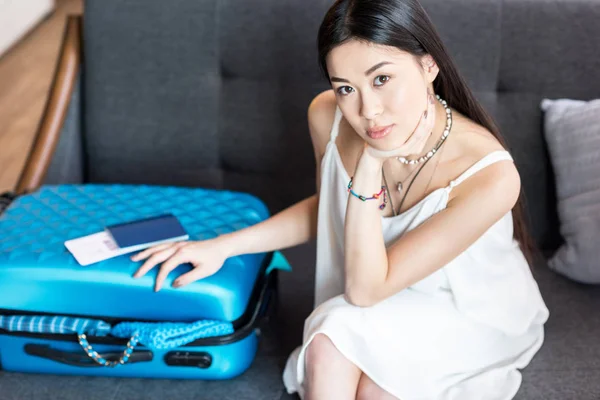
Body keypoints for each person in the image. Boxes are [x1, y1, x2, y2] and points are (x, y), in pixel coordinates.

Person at [130, 0, 550, 398]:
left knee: (368, 377)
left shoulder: (491, 176)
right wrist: (223, 246)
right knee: (332, 337)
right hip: (370, 292)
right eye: (346, 87)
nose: (368, 110)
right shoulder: (325, 114)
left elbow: (365, 291)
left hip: (465, 310)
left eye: (382, 79)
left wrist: (370, 164)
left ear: (428, 65)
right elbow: (329, 207)